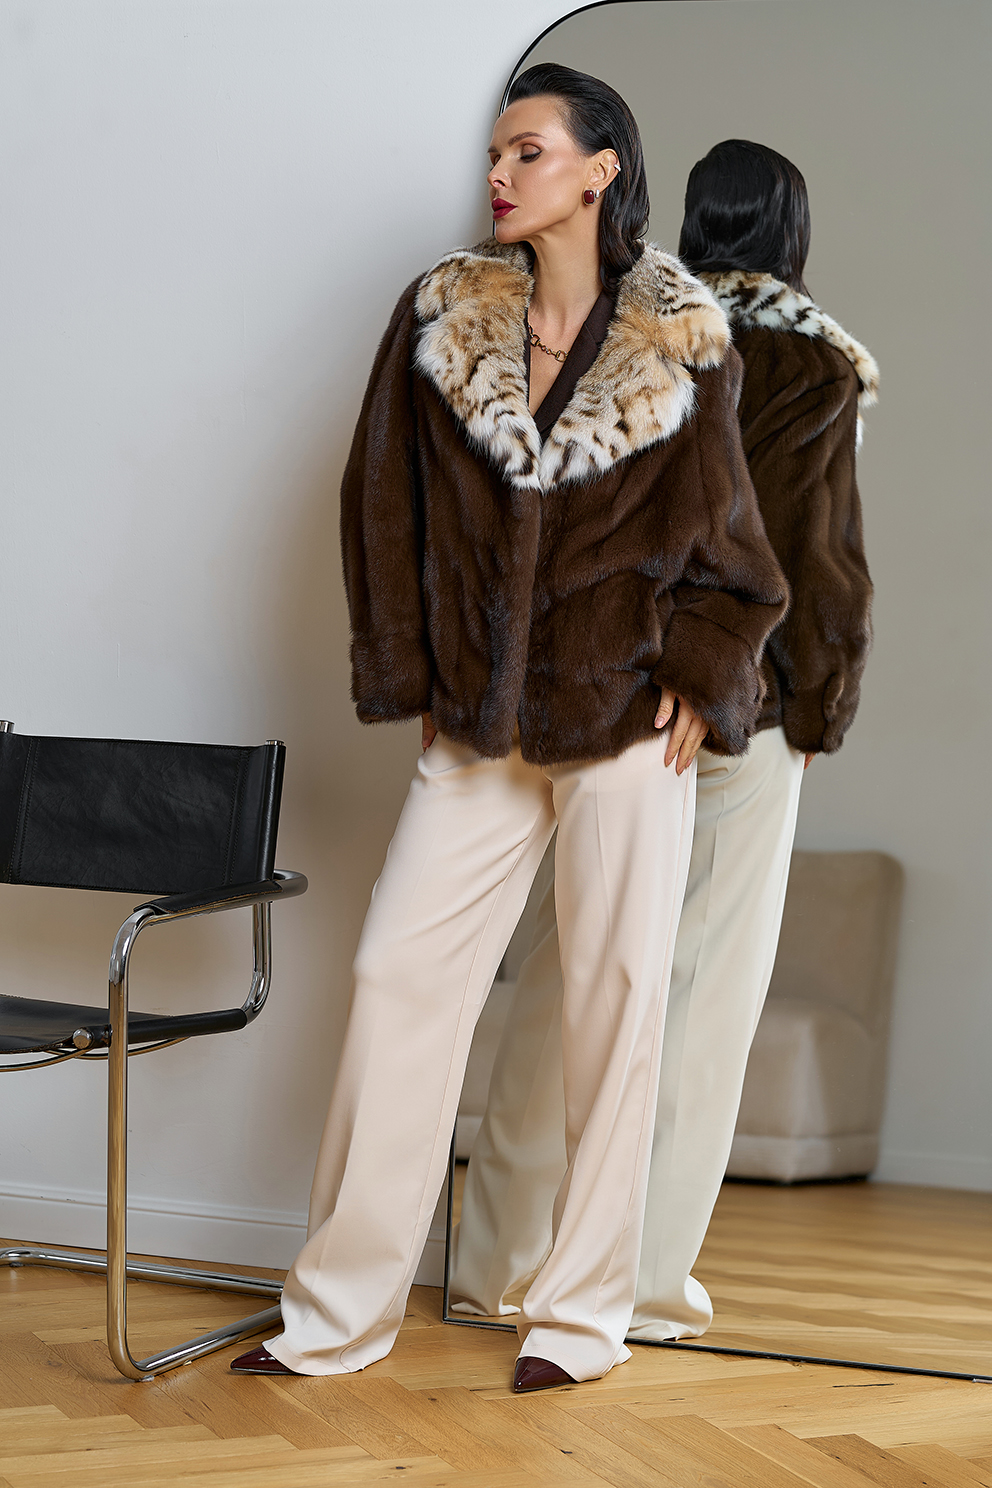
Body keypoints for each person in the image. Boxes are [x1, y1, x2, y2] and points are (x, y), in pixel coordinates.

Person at [231, 78, 787, 1390]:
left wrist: (700, 670)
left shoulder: (685, 339)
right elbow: (381, 507)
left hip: (621, 722)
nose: (499, 172)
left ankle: (580, 1319)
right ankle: (338, 1311)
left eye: (527, 151)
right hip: (476, 729)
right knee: (395, 979)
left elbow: (736, 552)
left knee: (612, 1006)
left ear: (599, 171)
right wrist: (415, 669)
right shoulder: (443, 316)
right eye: (494, 152)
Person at [451, 138, 877, 1343]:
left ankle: (494, 1264)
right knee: (695, 991)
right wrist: (818, 703)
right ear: (790, 231)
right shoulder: (808, 360)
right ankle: (631, 1281)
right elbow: (811, 556)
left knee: (563, 971)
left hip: (612, 687)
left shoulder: (627, 330)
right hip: (745, 698)